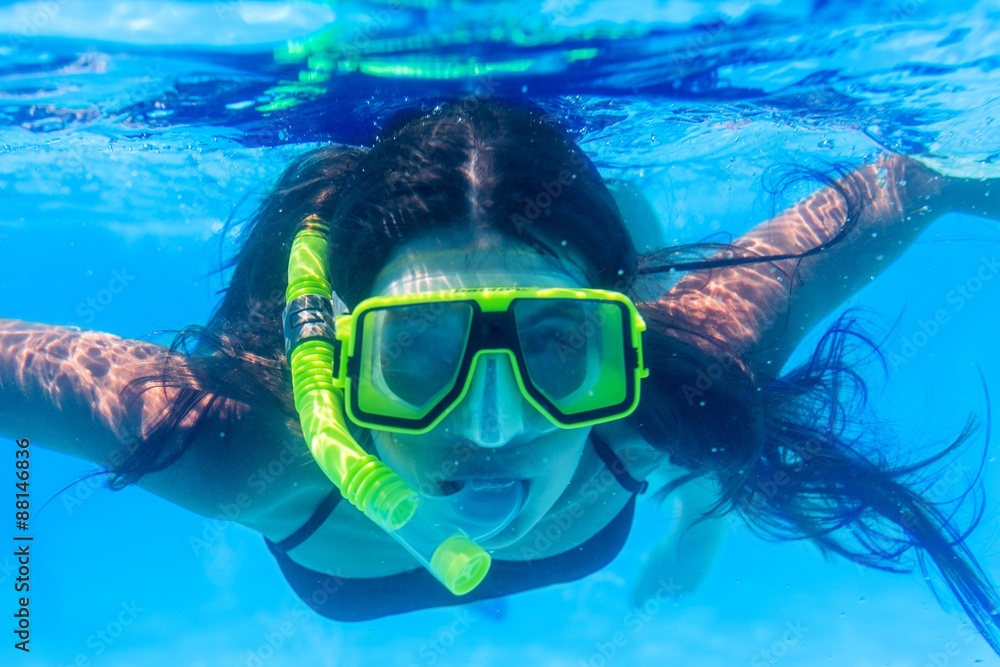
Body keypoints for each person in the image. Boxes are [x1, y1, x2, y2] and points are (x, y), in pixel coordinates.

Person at [0, 99, 998, 643]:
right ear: (343, 355)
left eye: (558, 347)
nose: (487, 428)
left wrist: (961, 182)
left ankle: (686, 471)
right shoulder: (239, 452)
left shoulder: (658, 387)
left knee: (699, 393)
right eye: (418, 350)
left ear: (613, 354)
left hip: (657, 373)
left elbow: (901, 184)